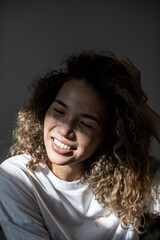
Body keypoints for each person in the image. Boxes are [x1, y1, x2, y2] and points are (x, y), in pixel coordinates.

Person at [0, 51, 159, 240]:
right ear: (44, 111)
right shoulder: (16, 177)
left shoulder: (135, 176)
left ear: (108, 136)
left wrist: (139, 105)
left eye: (86, 124)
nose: (65, 130)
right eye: (58, 111)